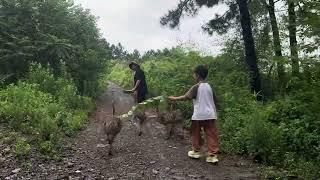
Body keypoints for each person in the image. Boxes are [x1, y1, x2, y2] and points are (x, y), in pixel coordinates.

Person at [168, 65, 219, 164]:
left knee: (195, 133)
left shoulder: (196, 87)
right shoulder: (210, 86)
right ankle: (212, 156)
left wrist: (173, 98)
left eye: (194, 74)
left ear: (198, 75)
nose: (193, 76)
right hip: (210, 115)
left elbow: (186, 97)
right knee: (211, 134)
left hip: (199, 115)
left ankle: (196, 151)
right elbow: (215, 100)